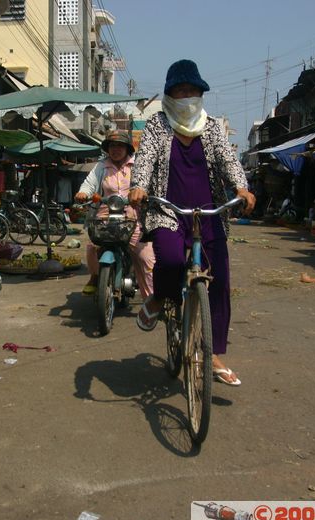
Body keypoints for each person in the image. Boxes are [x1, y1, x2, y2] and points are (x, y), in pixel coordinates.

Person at [128, 59, 256, 386]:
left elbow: (228, 159)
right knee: (170, 260)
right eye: (181, 90)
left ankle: (213, 353)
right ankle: (160, 297)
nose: (187, 96)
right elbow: (145, 159)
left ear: (201, 93)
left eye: (192, 90)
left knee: (220, 279)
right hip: (168, 209)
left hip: (208, 212)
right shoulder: (158, 124)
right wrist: (139, 185)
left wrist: (241, 186)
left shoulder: (211, 126)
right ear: (170, 94)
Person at [74, 130, 155, 299]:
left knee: (146, 257)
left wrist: (144, 195)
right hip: (104, 218)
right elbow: (89, 184)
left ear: (127, 149)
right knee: (91, 247)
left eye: (120, 146)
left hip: (133, 219)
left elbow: (148, 184)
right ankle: (96, 277)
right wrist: (83, 193)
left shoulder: (138, 165)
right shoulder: (101, 166)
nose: (115, 149)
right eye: (112, 146)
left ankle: (152, 299)